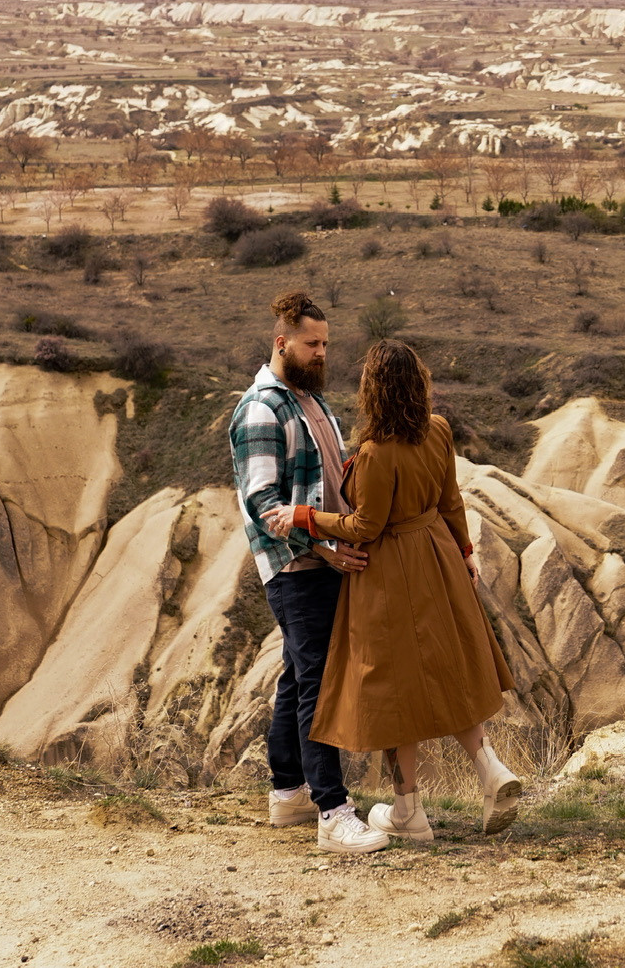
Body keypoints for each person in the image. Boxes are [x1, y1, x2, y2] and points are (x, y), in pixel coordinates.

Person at [265, 338, 523, 841]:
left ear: (374, 392)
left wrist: (304, 517)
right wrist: (466, 553)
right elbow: (451, 501)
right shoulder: (439, 431)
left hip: (390, 572)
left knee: (396, 686)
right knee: (447, 669)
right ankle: (489, 770)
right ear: (418, 384)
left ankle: (410, 809)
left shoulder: (376, 452)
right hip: (438, 557)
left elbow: (364, 526)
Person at [229, 291, 388, 856]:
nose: (322, 353)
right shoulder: (261, 409)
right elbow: (263, 503)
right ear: (282, 342)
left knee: (299, 677)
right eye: (311, 344)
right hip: (295, 566)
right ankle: (332, 811)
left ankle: (288, 792)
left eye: (326, 343)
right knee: (318, 680)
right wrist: (323, 547)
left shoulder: (313, 404)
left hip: (324, 557)